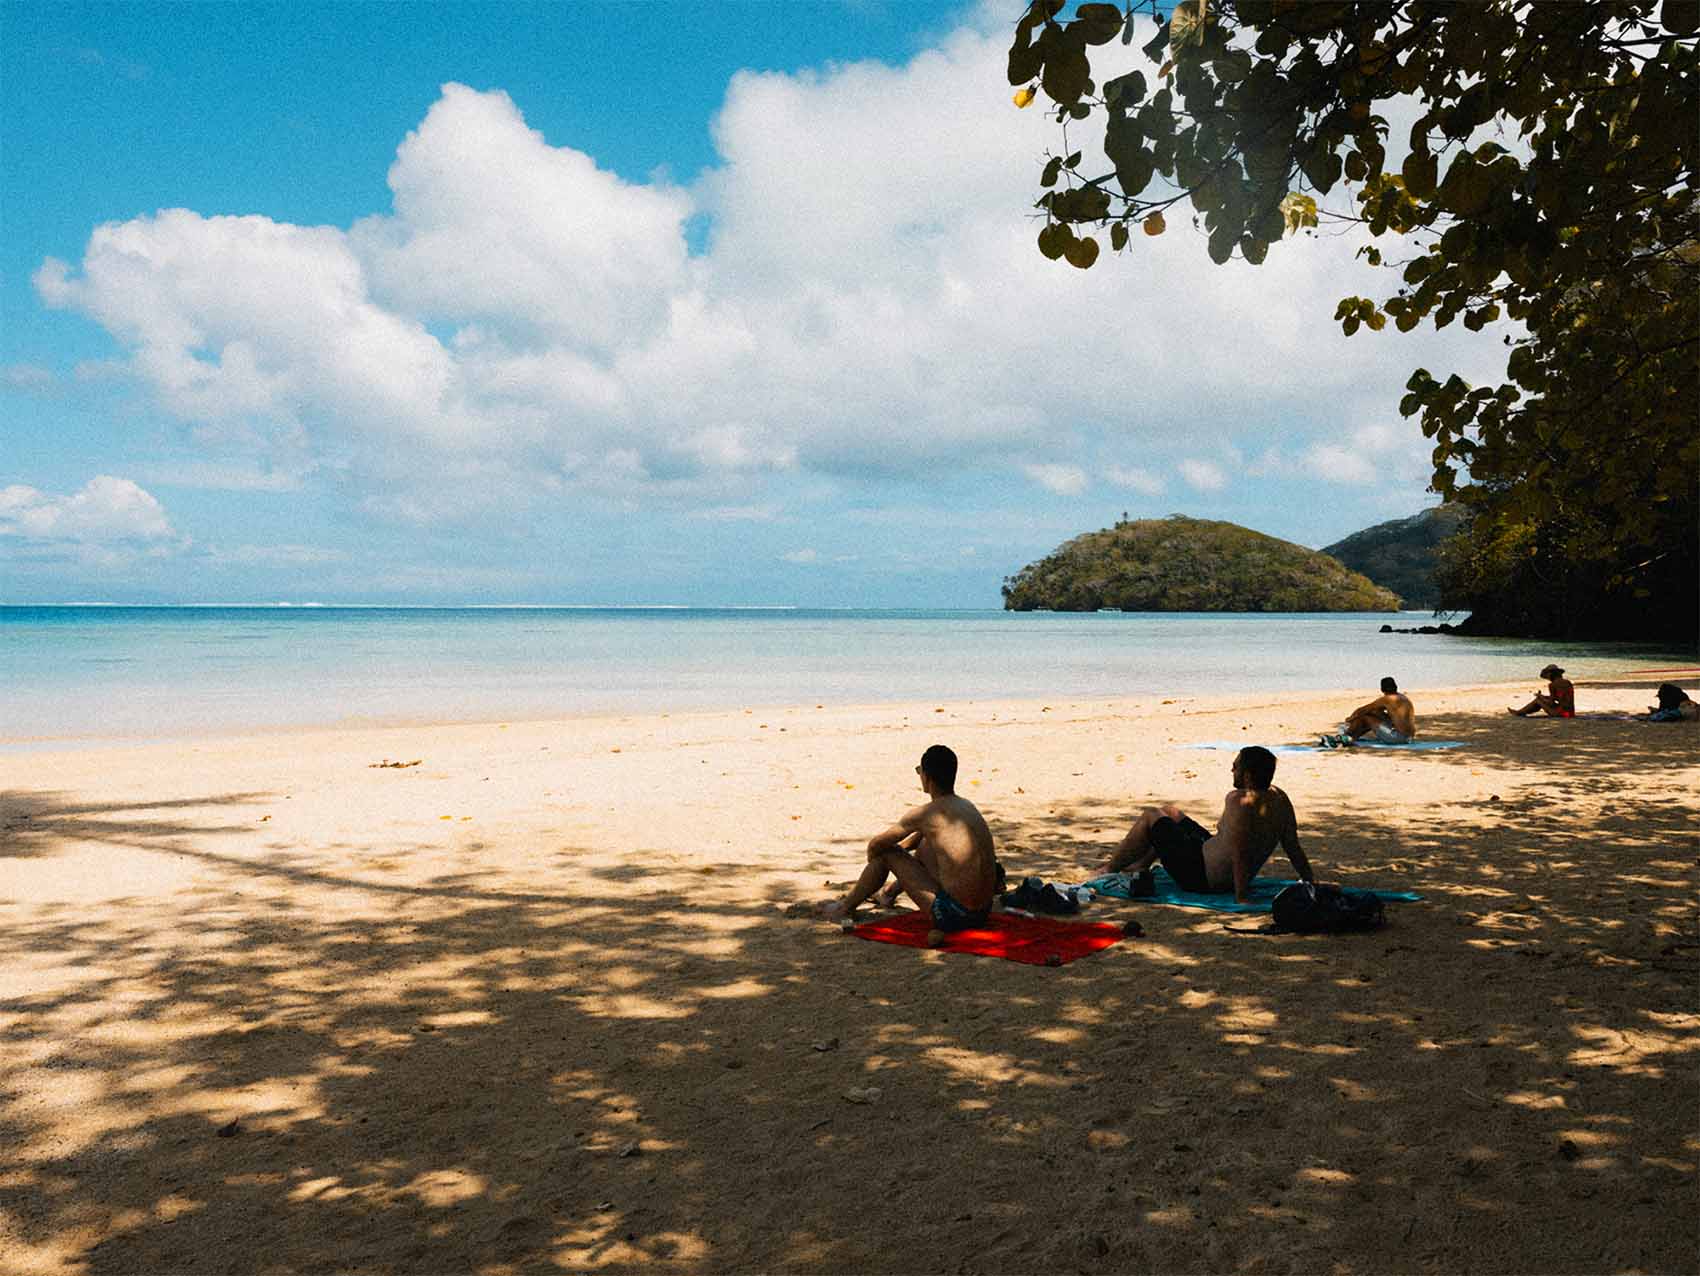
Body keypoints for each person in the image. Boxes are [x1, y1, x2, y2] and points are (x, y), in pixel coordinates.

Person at [821, 744, 1000, 944]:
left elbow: (876, 845)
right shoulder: (966, 806)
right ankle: (888, 894)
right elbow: (926, 837)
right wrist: (905, 853)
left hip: (954, 916)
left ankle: (844, 908)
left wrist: (884, 859)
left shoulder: (925, 814)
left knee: (887, 853)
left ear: (927, 777)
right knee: (925, 844)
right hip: (983, 913)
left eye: (919, 771)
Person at [1101, 745, 1314, 904]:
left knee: (1151, 815)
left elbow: (1240, 852)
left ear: (1247, 775)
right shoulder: (1279, 798)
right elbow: (1292, 847)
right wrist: (1309, 882)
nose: (1232, 769)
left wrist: (1241, 897)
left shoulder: (1239, 800)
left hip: (1201, 877)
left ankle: (1108, 869)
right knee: (1170, 813)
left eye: (1236, 766)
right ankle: (1141, 865)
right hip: (1210, 860)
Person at [1321, 676, 1416, 747]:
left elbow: (1362, 710)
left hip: (1399, 738)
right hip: (1409, 737)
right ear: (1396, 686)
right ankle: (1350, 736)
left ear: (1382, 689)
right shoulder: (1402, 697)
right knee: (1373, 713)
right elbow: (1376, 711)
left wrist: (1350, 719)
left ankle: (1346, 736)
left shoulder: (1387, 699)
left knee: (1366, 717)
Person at [1509, 664, 1575, 717]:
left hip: (1561, 713)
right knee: (1541, 699)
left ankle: (1519, 712)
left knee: (1538, 700)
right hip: (1570, 713)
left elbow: (1551, 703)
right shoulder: (1568, 682)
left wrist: (1540, 697)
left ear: (1551, 675)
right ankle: (1521, 712)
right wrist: (1544, 697)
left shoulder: (1552, 685)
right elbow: (1561, 698)